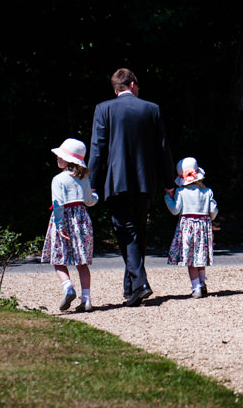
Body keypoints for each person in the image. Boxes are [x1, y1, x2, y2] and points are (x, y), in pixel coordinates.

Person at [89, 67, 176, 306]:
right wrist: (170, 183)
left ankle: (139, 283)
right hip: (145, 181)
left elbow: (98, 149)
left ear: (116, 88)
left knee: (126, 232)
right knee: (138, 231)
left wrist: (91, 185)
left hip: (117, 182)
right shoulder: (151, 109)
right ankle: (131, 290)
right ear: (133, 85)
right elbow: (162, 149)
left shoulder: (104, 109)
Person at [41, 138, 98, 312]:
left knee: (58, 259)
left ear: (69, 160)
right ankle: (86, 300)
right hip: (81, 220)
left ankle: (68, 287)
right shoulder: (84, 179)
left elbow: (57, 203)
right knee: (82, 263)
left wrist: (60, 226)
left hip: (64, 219)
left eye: (61, 156)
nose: (57, 158)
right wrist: (95, 196)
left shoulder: (58, 179)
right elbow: (89, 201)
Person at [164, 157, 218, 298]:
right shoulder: (207, 192)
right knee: (200, 256)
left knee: (190, 259)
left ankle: (196, 288)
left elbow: (175, 210)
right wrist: (208, 220)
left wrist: (168, 198)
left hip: (187, 227)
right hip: (203, 226)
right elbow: (214, 210)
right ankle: (202, 283)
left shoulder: (181, 193)